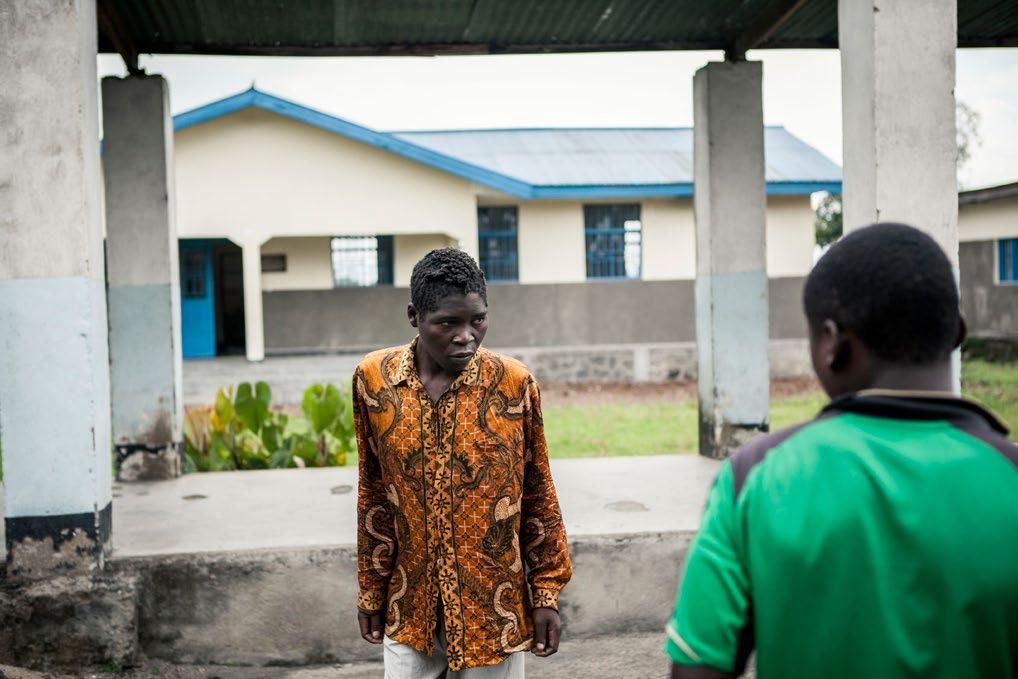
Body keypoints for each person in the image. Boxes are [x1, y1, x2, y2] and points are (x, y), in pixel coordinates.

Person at [665, 223, 1018, 679]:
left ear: (831, 343)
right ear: (958, 331)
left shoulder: (753, 478)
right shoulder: (1009, 475)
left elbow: (696, 670)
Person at [353, 248, 572, 678]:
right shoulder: (375, 380)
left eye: (478, 320)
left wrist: (546, 594)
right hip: (409, 609)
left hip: (493, 615)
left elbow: (539, 491)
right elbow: (373, 492)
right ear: (414, 316)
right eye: (448, 323)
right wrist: (371, 591)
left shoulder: (514, 385)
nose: (466, 337)